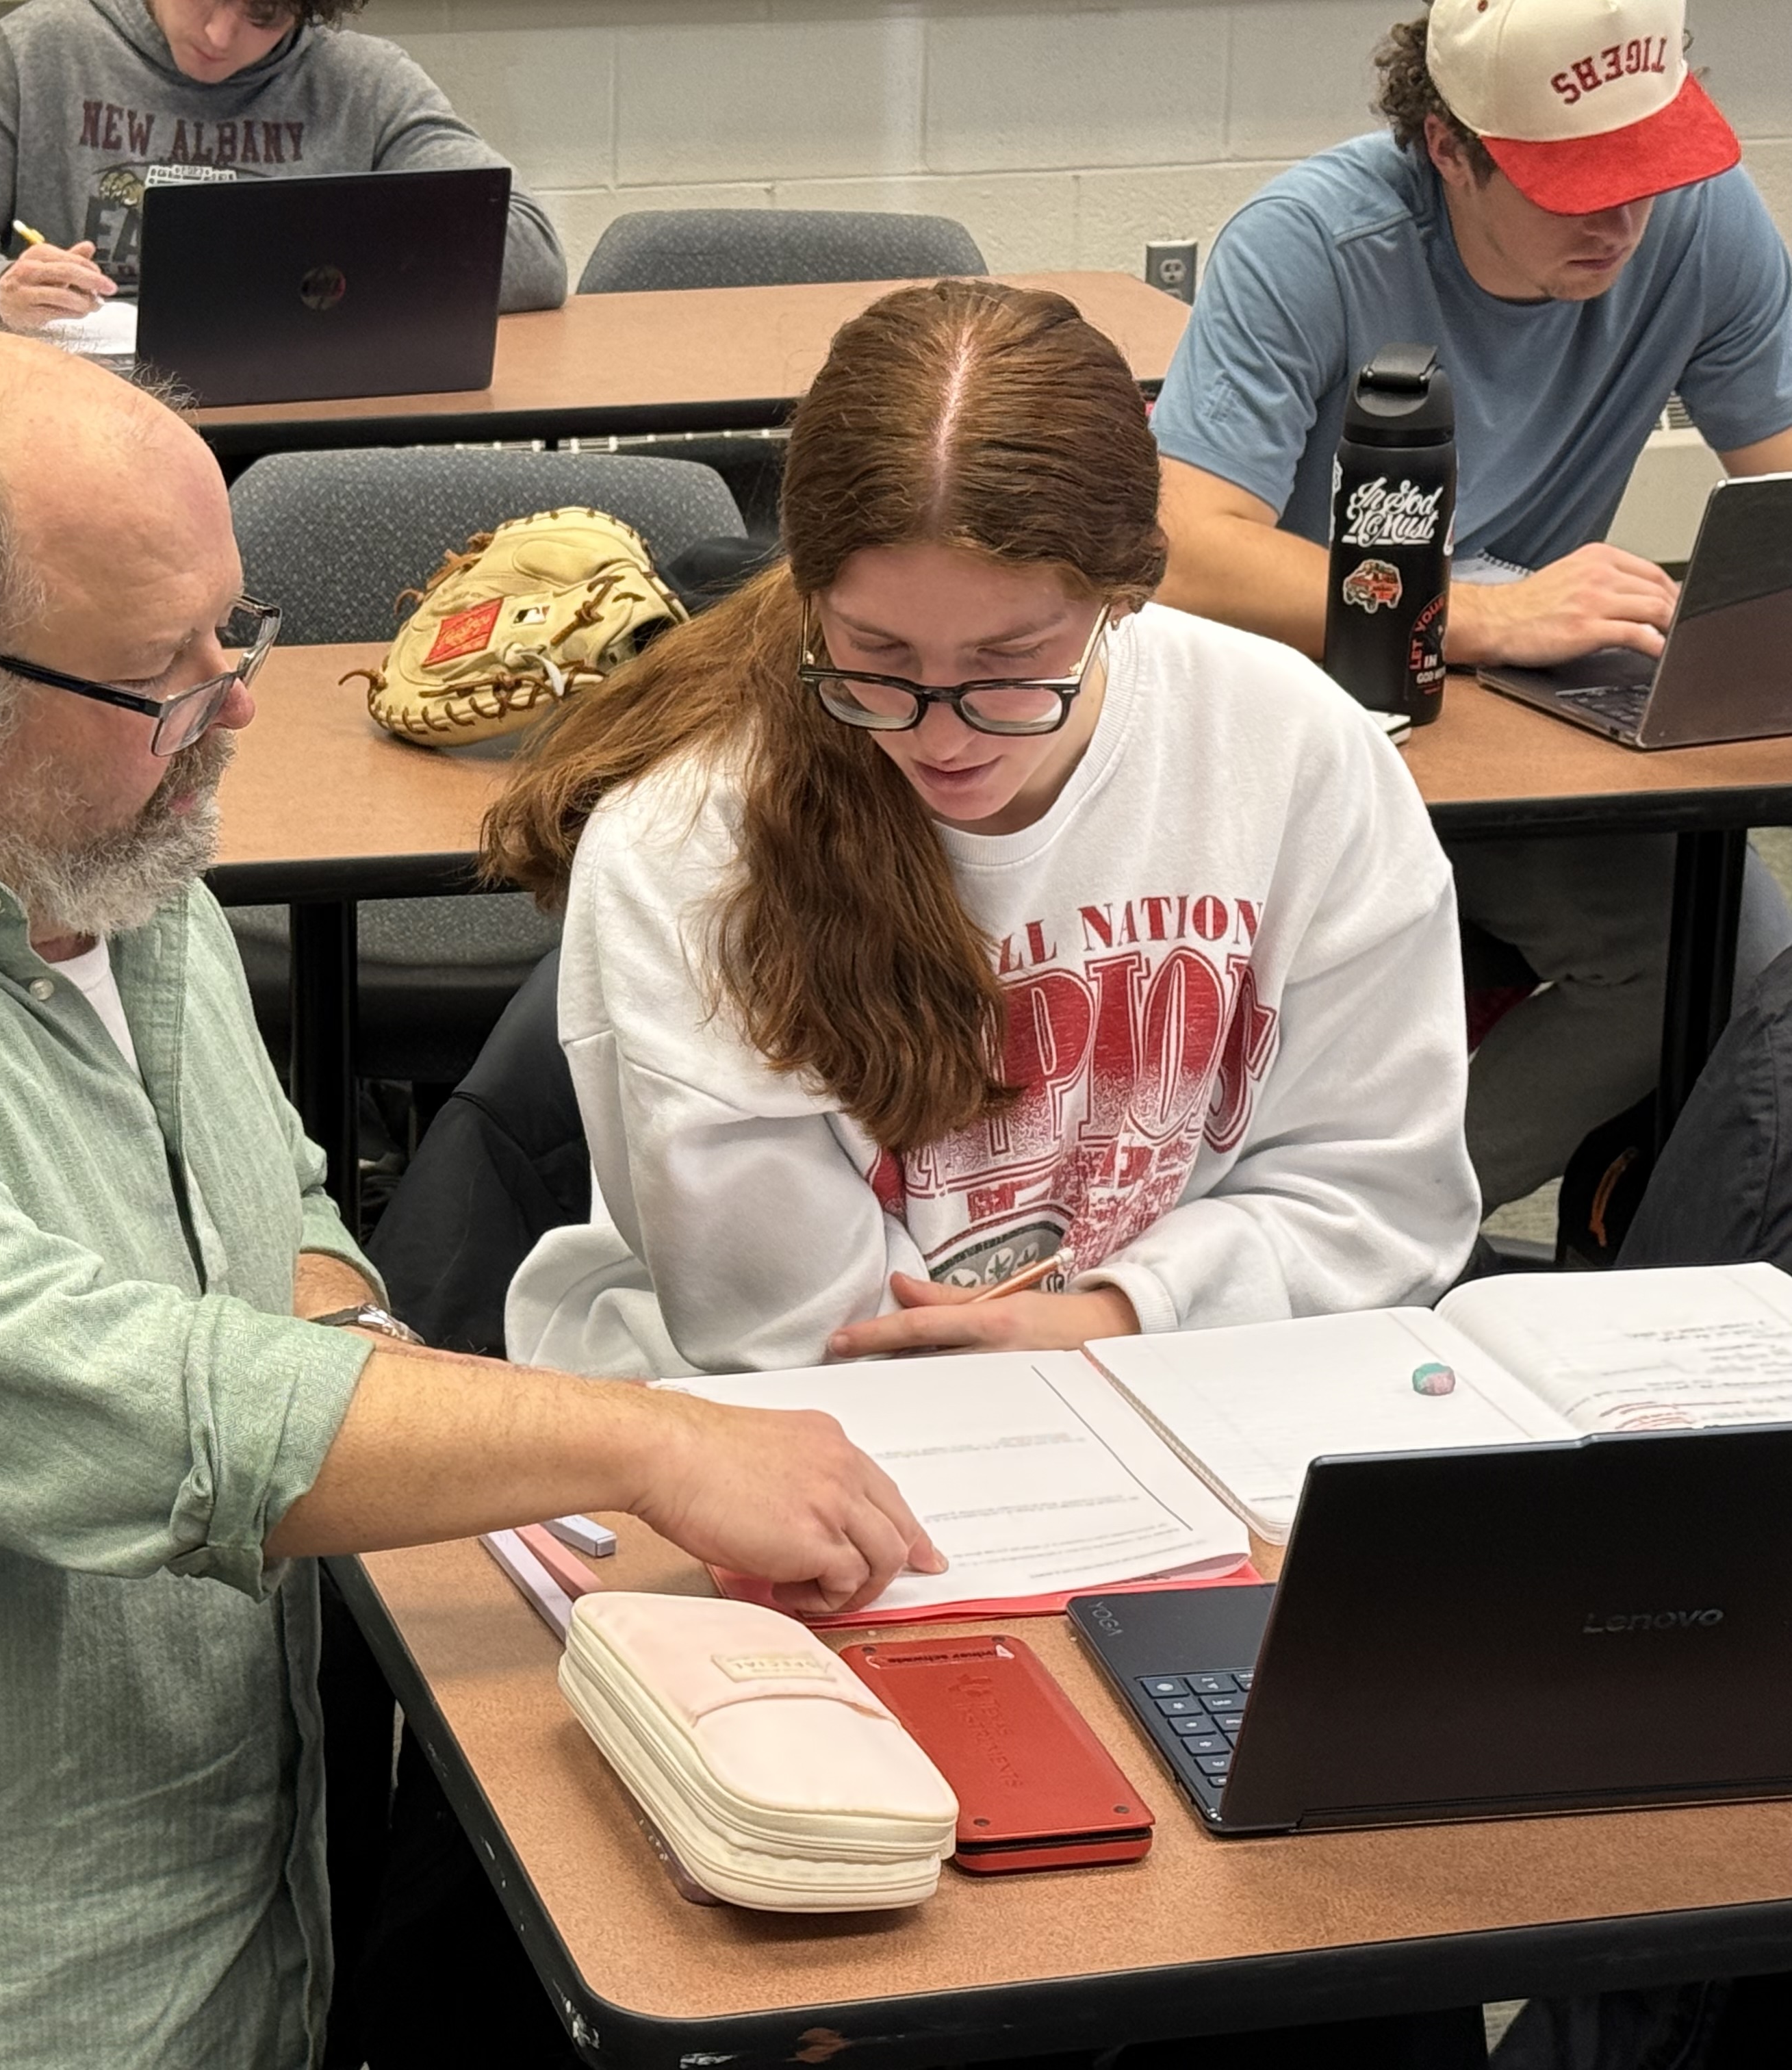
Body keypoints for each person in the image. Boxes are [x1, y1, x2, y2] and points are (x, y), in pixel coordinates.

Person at [0, 324, 939, 2069]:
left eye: (228, 636)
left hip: (229, 1928)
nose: (235, 711)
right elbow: (148, 1413)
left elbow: (278, 1230)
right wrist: (652, 1440)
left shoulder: (104, 855)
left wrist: (361, 1337)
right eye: (161, 673)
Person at [485, 279, 1480, 1381]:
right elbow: (779, 1329)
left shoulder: (1295, 750)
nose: (943, 736)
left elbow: (1384, 1197)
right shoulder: (684, 835)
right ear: (810, 593)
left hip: (1175, 1381)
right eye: (877, 657)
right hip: (776, 1418)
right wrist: (1051, 1359)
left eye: (1010, 669)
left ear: (1127, 592)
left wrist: (1121, 1315)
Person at [1149, 0, 1792, 1212]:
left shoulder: (1701, 224)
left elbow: (1786, 477)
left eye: (1645, 174)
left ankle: (1554, 1254)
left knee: (1741, 968)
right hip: (1311, 704)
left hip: (1526, 713)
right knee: (1690, 965)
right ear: (1450, 148)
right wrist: (1487, 615)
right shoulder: (1310, 245)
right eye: (1575, 186)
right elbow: (1184, 553)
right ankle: (1307, 1245)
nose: (1621, 220)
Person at [0, 0, 567, 331]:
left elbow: (531, 250)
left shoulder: (360, 80)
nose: (218, 35)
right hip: (76, 432)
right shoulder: (40, 54)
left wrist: (338, 263)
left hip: (292, 435)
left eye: (263, 15)